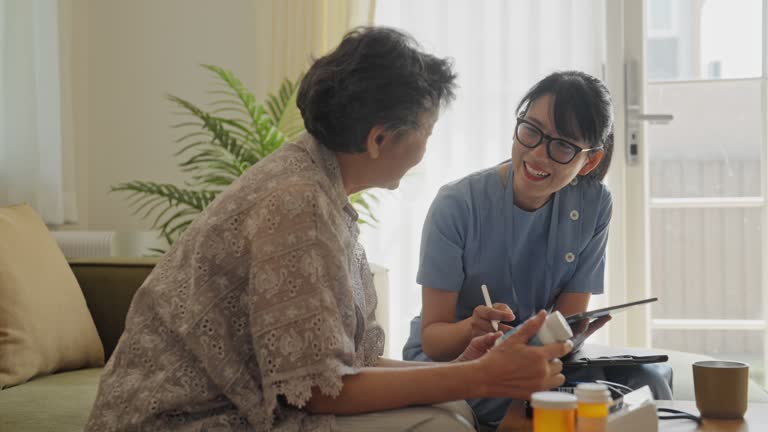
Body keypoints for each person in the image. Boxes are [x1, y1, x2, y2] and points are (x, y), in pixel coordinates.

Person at [84, 27, 574, 432]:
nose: (428, 144)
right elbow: (321, 390)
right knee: (443, 424)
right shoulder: (297, 203)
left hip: (242, 401)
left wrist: (464, 372)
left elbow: (339, 364)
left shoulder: (316, 185)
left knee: (452, 410)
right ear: (380, 139)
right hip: (183, 419)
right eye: (426, 130)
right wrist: (482, 378)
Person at [402, 70, 674, 426]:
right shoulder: (457, 204)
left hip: (539, 361)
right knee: (544, 411)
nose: (538, 154)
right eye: (531, 130)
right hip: (460, 364)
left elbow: (567, 319)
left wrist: (570, 335)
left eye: (562, 146)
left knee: (648, 385)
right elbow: (434, 340)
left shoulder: (593, 204)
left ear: (588, 161)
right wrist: (472, 328)